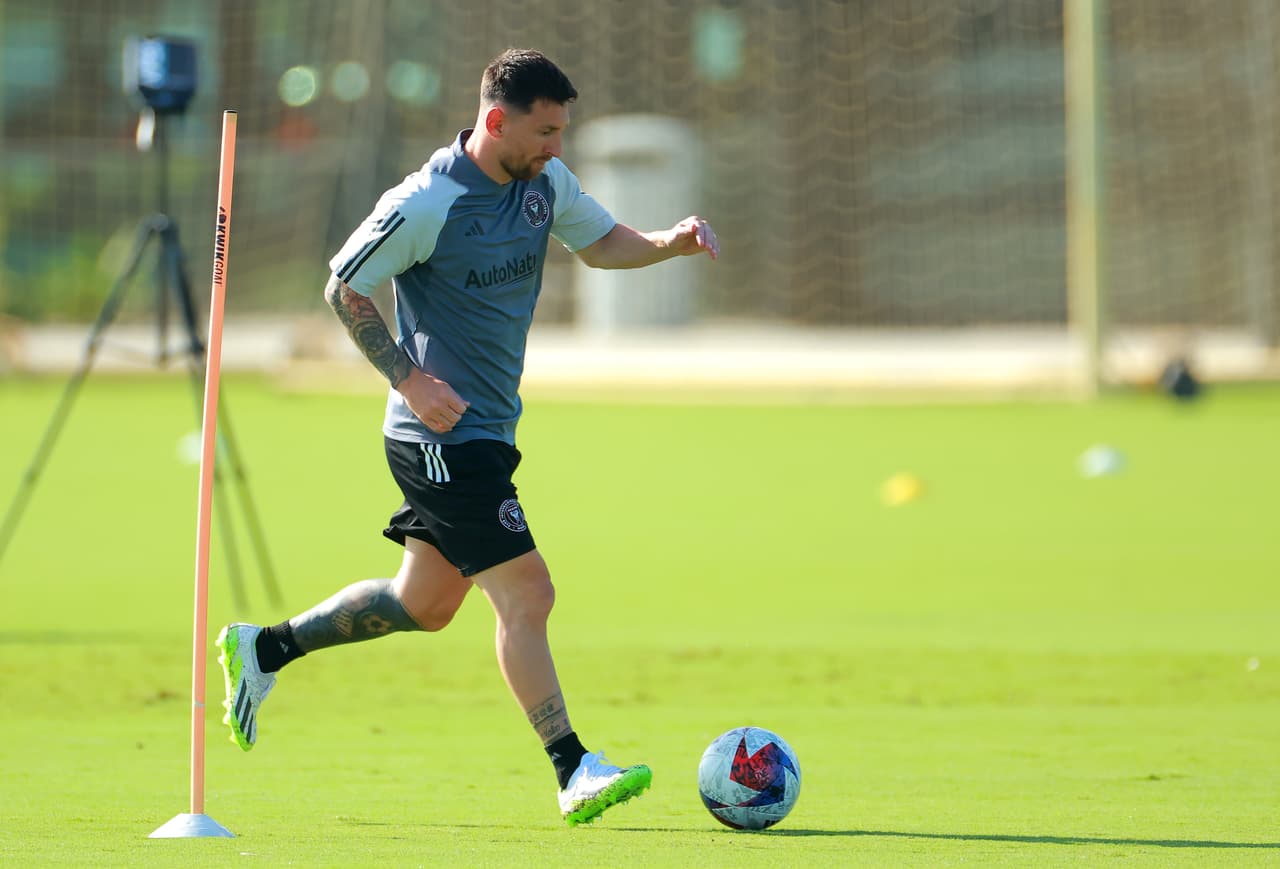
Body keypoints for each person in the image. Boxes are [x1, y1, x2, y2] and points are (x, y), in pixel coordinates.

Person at [215, 48, 719, 827]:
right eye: (546, 131)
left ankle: (265, 649)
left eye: (562, 131)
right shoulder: (428, 200)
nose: (558, 147)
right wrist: (408, 379)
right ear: (496, 120)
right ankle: (573, 766)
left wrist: (668, 242)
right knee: (529, 592)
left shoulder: (542, 183)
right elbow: (343, 284)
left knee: (424, 603)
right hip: (438, 437)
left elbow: (601, 241)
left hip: (485, 431)